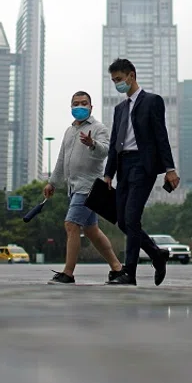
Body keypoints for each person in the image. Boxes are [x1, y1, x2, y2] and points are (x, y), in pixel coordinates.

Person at [103, 58, 179, 286]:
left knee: (132, 218)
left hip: (142, 165)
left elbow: (161, 136)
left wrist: (170, 169)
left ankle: (130, 273)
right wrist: (108, 173)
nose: (117, 84)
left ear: (131, 76)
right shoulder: (119, 109)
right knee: (124, 223)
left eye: (119, 79)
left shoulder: (152, 101)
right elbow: (115, 142)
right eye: (114, 81)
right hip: (123, 166)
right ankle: (157, 254)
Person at [43, 91, 124, 284]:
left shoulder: (98, 128)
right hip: (73, 187)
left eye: (84, 103)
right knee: (91, 230)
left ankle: (68, 273)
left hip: (88, 188)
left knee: (71, 225)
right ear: (71, 107)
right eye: (76, 103)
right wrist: (52, 182)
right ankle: (118, 269)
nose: (80, 106)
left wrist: (92, 143)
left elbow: (105, 151)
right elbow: (62, 159)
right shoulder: (69, 131)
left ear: (91, 107)